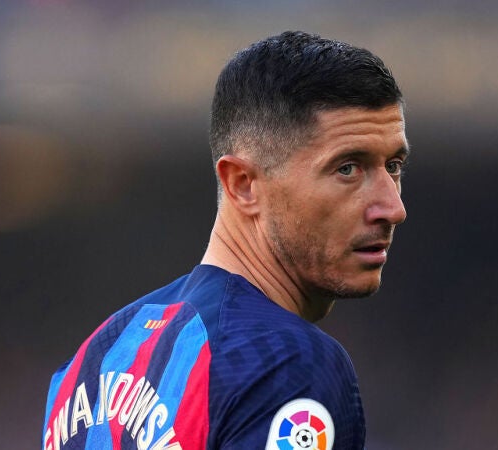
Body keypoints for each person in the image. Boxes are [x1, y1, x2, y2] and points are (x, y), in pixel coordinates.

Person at [42, 30, 409, 450]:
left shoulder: (92, 362)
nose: (393, 207)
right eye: (348, 168)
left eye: (393, 166)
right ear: (243, 184)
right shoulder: (284, 362)